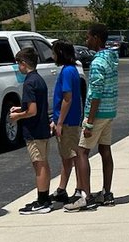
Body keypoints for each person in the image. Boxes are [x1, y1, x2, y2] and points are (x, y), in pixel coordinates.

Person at [67, 23, 118, 210]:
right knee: (105, 150)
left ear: (96, 38)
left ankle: (85, 196)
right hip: (110, 111)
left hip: (96, 114)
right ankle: (107, 192)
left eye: (88, 37)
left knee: (81, 152)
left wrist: (89, 121)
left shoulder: (97, 63)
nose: (86, 40)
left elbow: (95, 93)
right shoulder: (111, 59)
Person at [8, 47, 53, 215]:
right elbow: (36, 105)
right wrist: (21, 107)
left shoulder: (29, 82)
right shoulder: (38, 79)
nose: (17, 67)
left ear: (24, 63)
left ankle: (42, 201)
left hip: (34, 131)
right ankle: (45, 197)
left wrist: (17, 116)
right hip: (42, 128)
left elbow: (32, 111)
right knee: (43, 163)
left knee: (39, 165)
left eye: (18, 64)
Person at [49, 39, 83, 204]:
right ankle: (62, 189)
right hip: (68, 120)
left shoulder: (68, 71)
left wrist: (60, 122)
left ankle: (79, 189)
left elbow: (67, 98)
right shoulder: (71, 70)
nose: (52, 55)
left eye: (54, 52)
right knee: (67, 157)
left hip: (68, 121)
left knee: (73, 156)